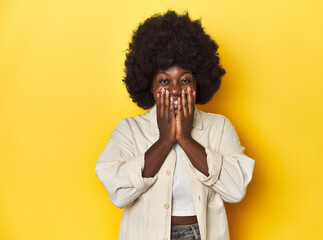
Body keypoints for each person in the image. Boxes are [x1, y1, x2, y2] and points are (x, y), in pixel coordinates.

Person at [95, 10, 255, 240]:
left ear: (199, 81)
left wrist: (186, 140)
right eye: (164, 81)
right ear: (149, 85)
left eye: (185, 80)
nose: (175, 90)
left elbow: (236, 189)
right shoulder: (129, 130)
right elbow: (119, 195)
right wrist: (165, 140)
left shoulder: (218, 128)